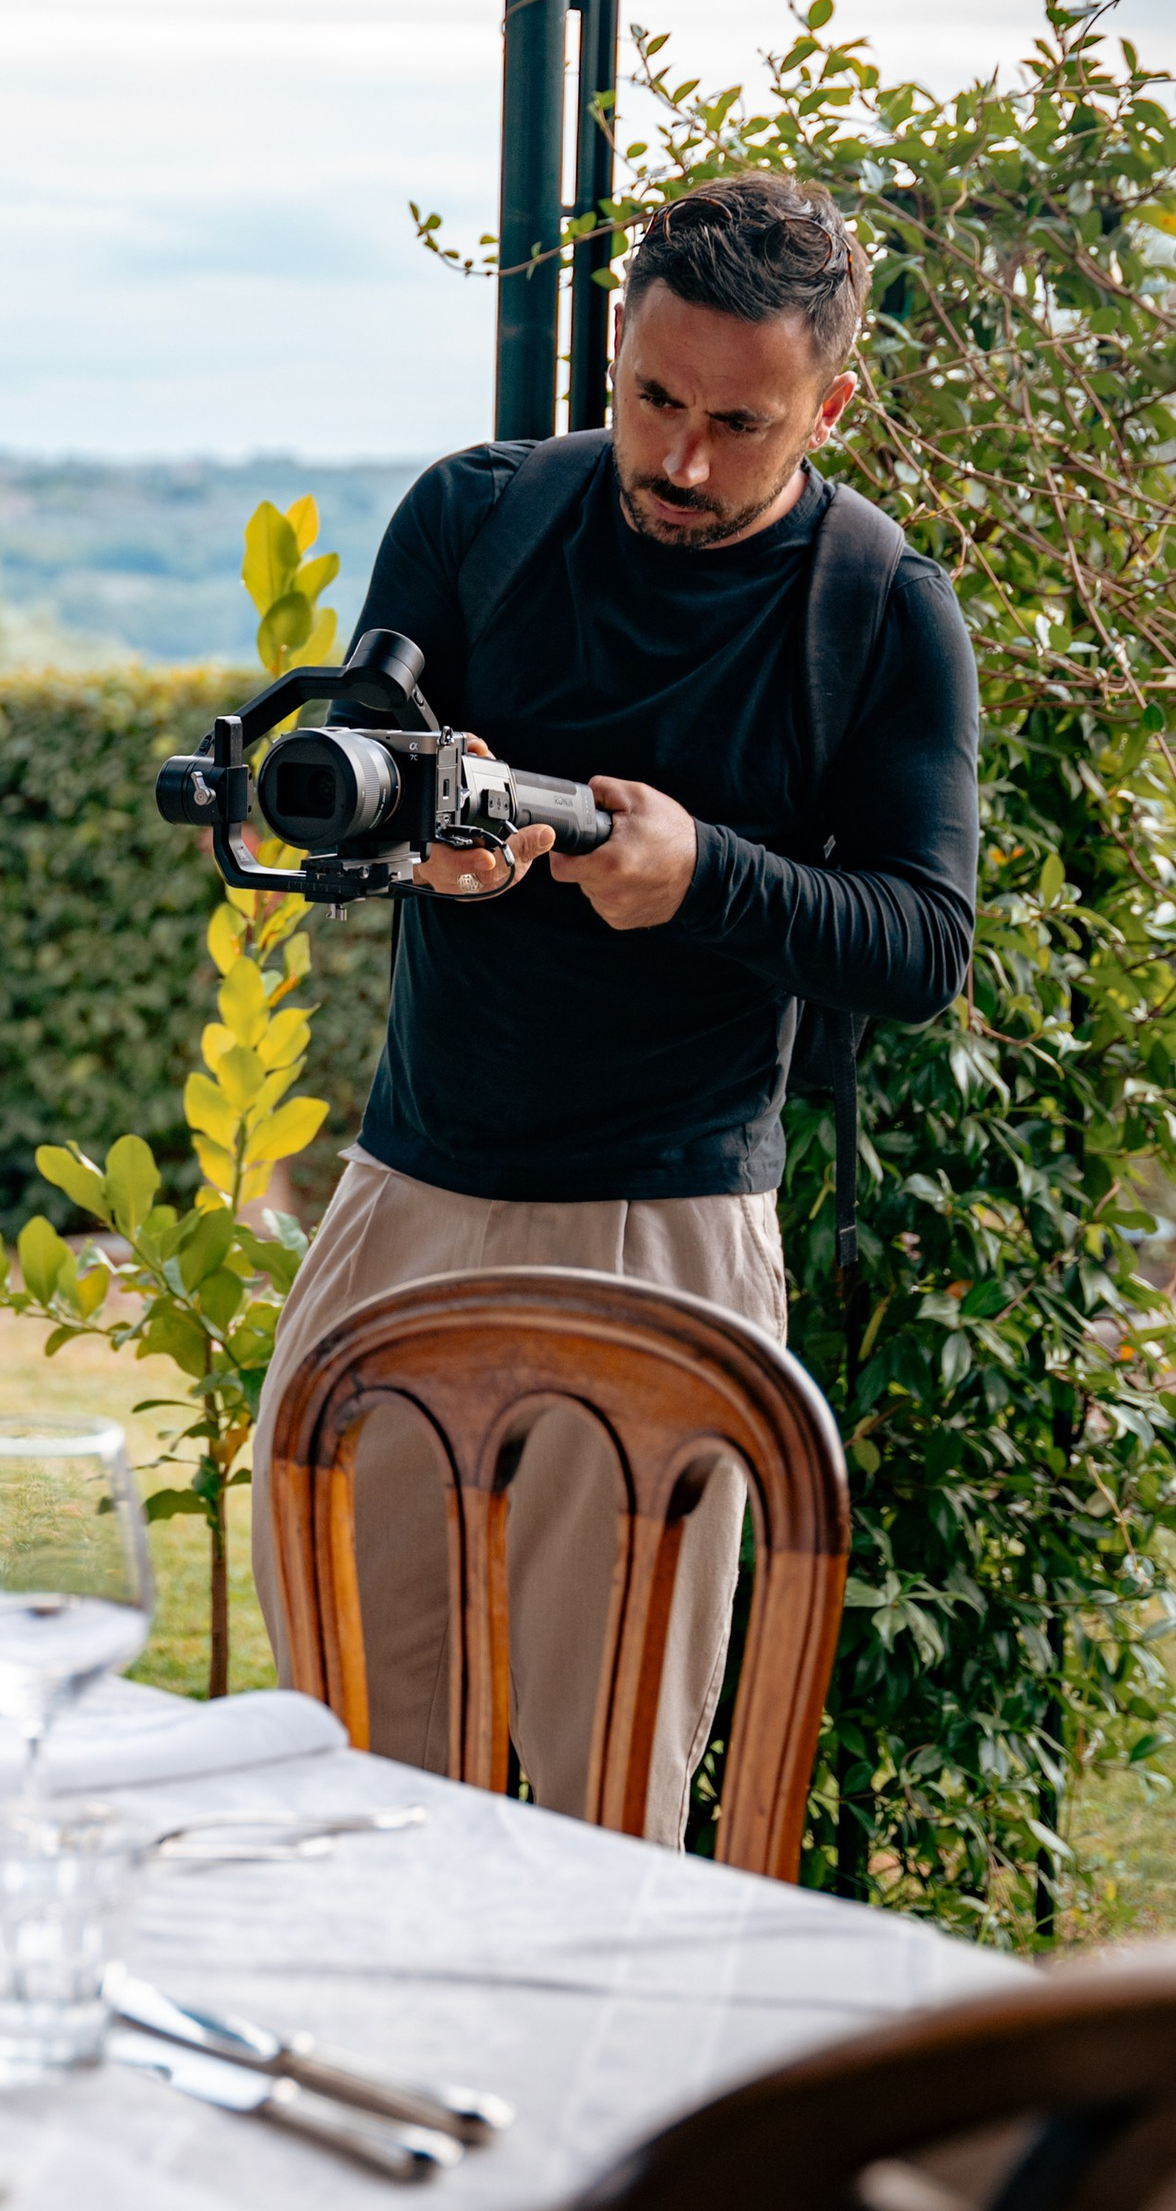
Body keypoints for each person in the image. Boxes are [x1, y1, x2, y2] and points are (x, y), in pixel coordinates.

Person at [249, 170, 979, 1841]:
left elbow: (922, 943)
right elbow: (366, 769)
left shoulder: (876, 609)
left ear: (831, 406)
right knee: (346, 1760)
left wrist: (706, 873)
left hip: (670, 1239)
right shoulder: (476, 515)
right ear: (613, 358)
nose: (683, 463)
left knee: (608, 1809)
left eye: (743, 423)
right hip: (409, 1197)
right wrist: (428, 849)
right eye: (656, 399)